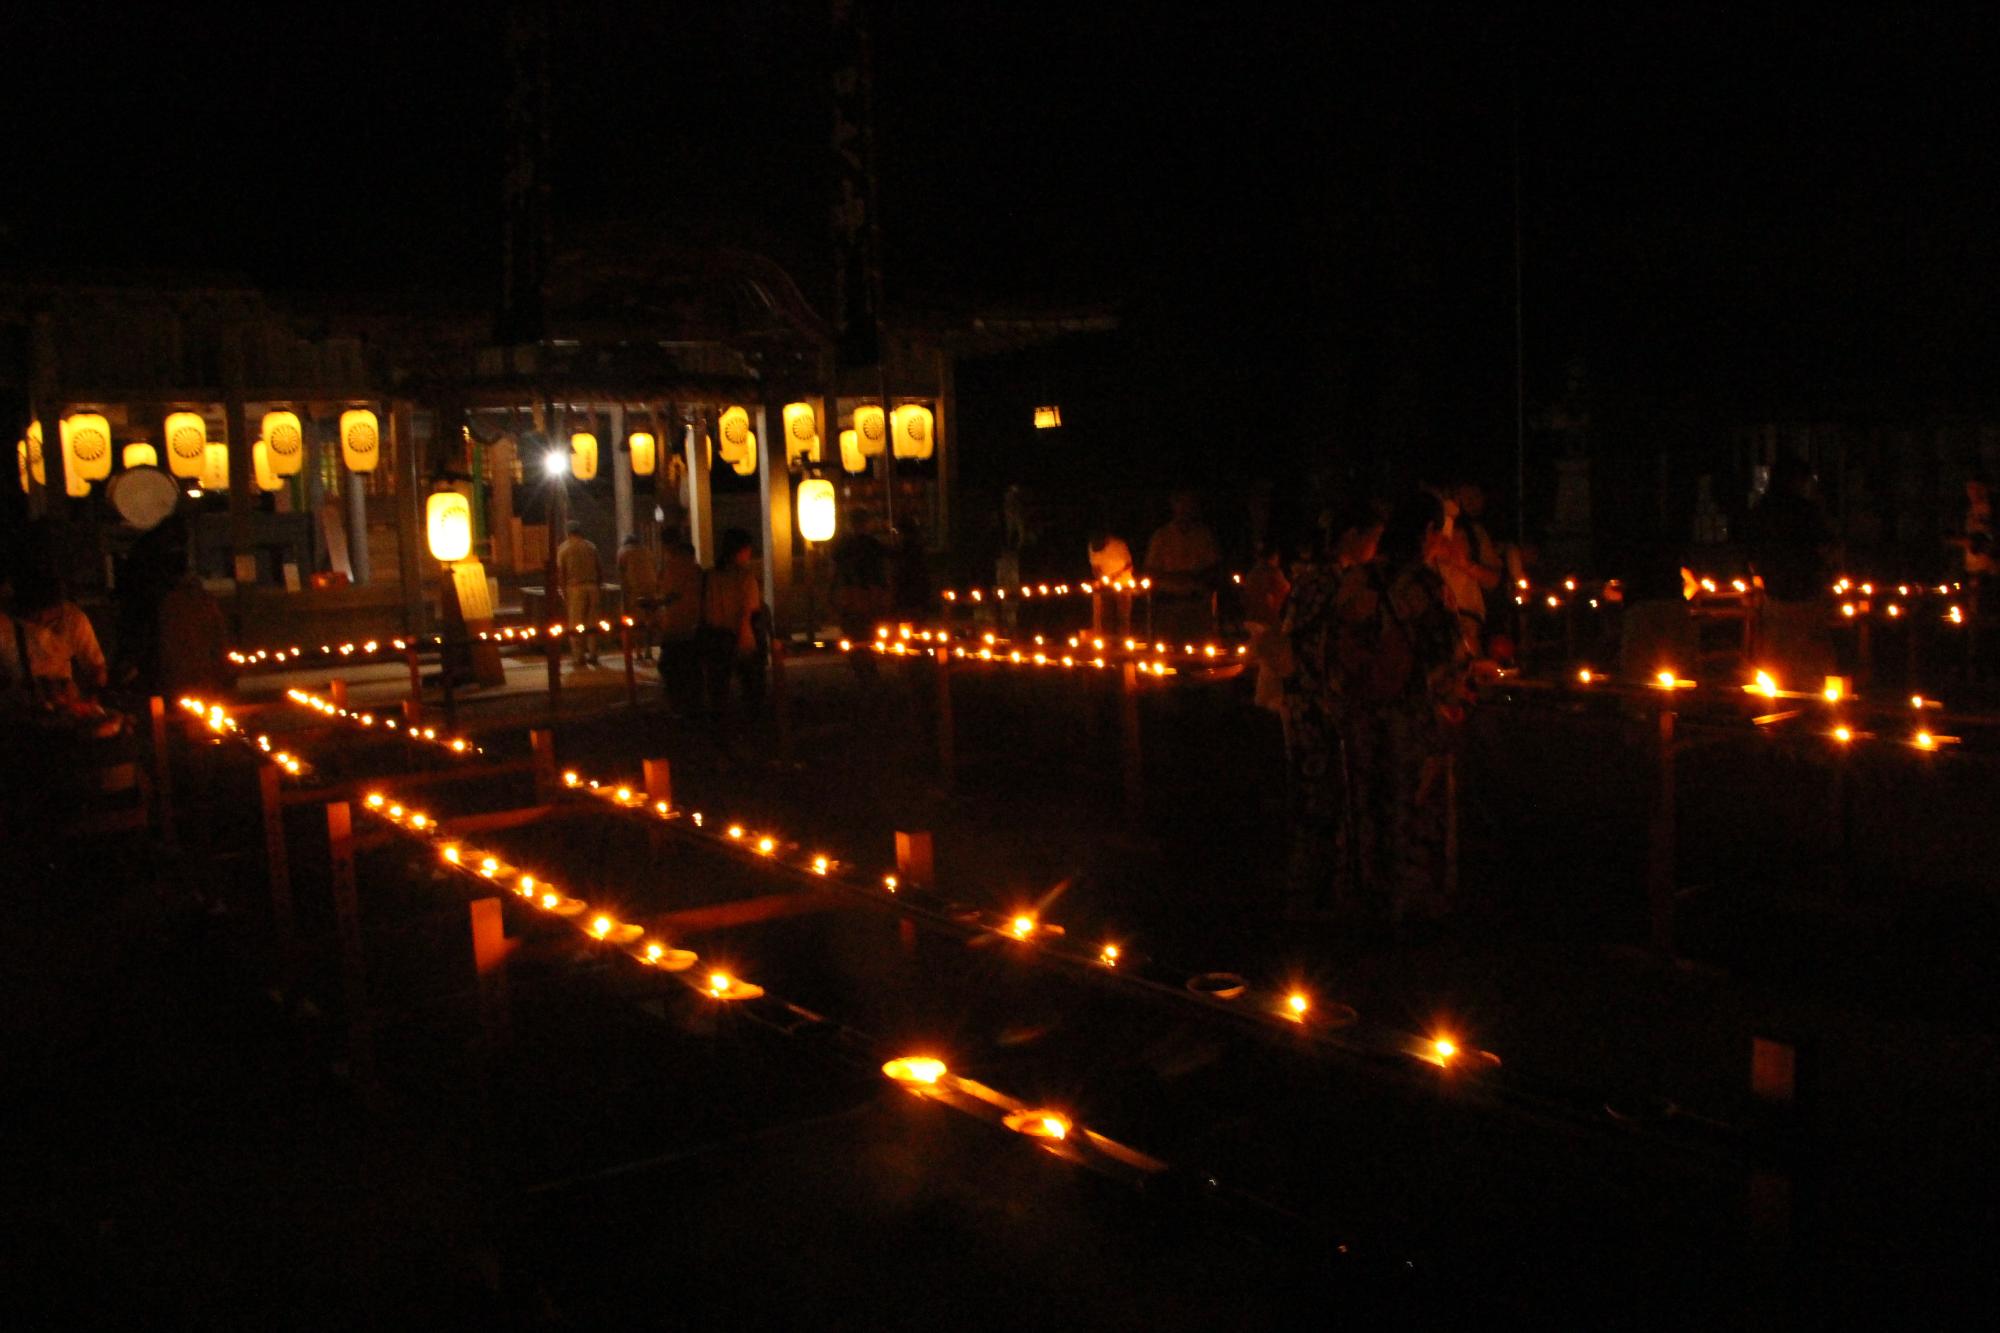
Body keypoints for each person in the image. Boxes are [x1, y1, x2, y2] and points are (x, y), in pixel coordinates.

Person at [1330, 490, 1469, 930]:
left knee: (1367, 805)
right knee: (1414, 809)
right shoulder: (1427, 587)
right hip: (1412, 716)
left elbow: (1333, 652)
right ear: (1427, 532)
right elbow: (1450, 658)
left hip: (1360, 715)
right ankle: (1412, 909)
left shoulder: (1357, 581)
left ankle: (1366, 900)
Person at [1279, 500, 1381, 919]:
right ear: (1352, 537)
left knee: (1332, 799)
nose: (1377, 546)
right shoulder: (1325, 582)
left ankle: (1328, 892)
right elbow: (1301, 641)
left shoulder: (1335, 580)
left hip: (1323, 700)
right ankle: (1309, 899)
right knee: (1319, 799)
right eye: (1373, 537)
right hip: (1315, 703)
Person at [1740, 454, 1835, 684]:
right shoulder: (1805, 511)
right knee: (1808, 654)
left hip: (1776, 591)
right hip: (1804, 591)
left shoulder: (1762, 510)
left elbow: (1749, 550)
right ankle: (1811, 701)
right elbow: (1824, 546)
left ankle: (1781, 700)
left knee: (1778, 653)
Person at [700, 528, 765, 718]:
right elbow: (750, 609)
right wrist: (747, 636)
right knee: (750, 683)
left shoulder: (710, 575)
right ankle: (751, 724)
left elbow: (704, 607)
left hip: (714, 635)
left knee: (718, 686)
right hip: (740, 633)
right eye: (748, 549)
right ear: (741, 550)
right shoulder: (745, 577)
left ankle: (719, 726)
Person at [1143, 489, 1221, 640]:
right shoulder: (1162, 536)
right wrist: (1174, 578)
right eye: (1182, 503)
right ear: (1174, 505)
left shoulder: (1203, 536)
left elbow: (1214, 567)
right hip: (1169, 605)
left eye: (1189, 504)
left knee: (1198, 651)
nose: (1186, 508)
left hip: (1196, 604)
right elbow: (1150, 569)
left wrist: (1194, 578)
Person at [656, 528, 703, 715]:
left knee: (671, 667)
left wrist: (657, 603)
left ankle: (679, 705)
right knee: (692, 666)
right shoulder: (695, 568)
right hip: (694, 623)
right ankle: (694, 703)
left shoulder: (673, 566)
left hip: (677, 624)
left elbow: (671, 595)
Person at [554, 520, 603, 668]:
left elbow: (561, 573)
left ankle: (578, 656)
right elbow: (599, 569)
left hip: (574, 588)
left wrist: (563, 591)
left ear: (568, 532)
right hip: (592, 587)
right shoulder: (590, 546)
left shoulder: (564, 548)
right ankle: (593, 654)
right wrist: (598, 586)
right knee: (592, 622)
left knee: (576, 624)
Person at [617, 534, 661, 661]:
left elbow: (621, 573)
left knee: (636, 621)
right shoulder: (647, 551)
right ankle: (648, 650)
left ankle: (638, 651)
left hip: (635, 590)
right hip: (651, 589)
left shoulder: (623, 552)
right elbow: (655, 568)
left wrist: (625, 592)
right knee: (649, 620)